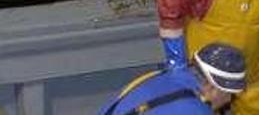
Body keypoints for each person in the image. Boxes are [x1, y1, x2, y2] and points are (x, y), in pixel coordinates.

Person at [98, 42, 246, 115]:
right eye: (229, 93)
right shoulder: (195, 110)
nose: (228, 101)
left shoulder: (165, 76)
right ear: (212, 86)